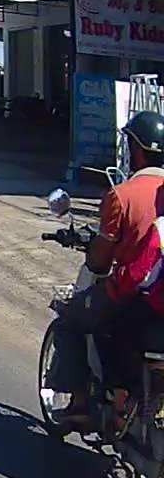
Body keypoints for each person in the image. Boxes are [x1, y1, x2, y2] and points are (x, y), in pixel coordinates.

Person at [51, 110, 164, 425]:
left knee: (71, 317)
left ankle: (81, 403)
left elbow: (100, 262)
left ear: (136, 149)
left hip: (136, 292)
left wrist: (97, 253)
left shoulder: (122, 196)